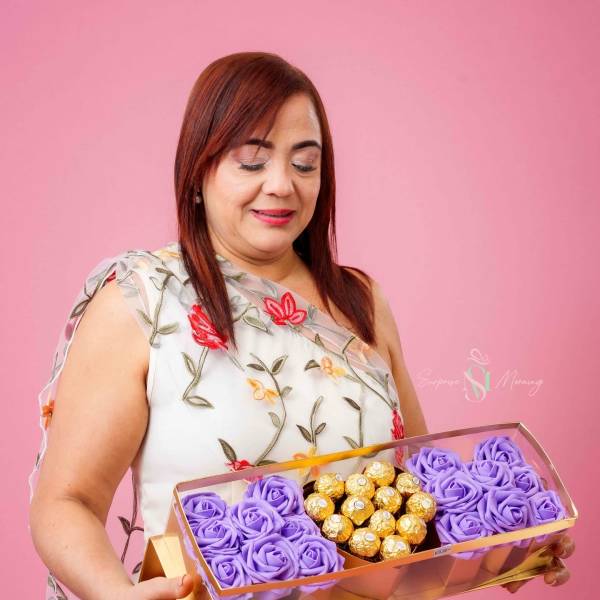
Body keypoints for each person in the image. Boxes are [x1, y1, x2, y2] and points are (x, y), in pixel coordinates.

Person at [27, 52, 572, 600]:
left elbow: (416, 492)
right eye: (251, 161)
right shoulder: (144, 298)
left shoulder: (360, 301)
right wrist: (114, 594)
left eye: (305, 164)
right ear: (197, 171)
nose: (282, 184)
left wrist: (507, 545)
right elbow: (66, 502)